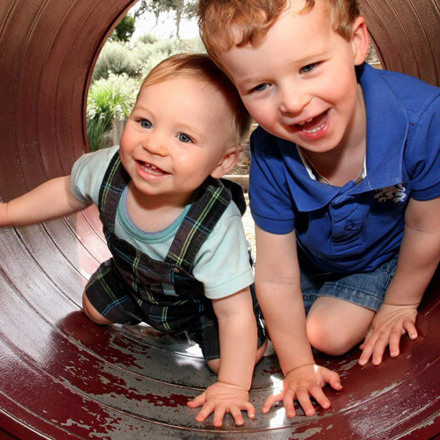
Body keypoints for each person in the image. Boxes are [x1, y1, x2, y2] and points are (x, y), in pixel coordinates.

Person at [197, 0, 440, 418]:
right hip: (311, 264)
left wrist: (400, 303)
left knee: (326, 333)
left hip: (383, 258)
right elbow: (276, 273)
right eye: (260, 87)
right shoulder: (271, 155)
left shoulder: (422, 118)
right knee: (229, 347)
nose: (293, 102)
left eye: (309, 67)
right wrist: (296, 368)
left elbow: (426, 228)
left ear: (355, 43)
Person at [0, 53, 267, 427]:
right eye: (144, 122)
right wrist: (8, 211)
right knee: (91, 310)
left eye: (184, 137)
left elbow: (232, 312)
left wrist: (233, 386)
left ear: (223, 162)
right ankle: (150, 316)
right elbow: (65, 191)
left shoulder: (215, 226)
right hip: (134, 281)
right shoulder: (108, 168)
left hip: (203, 304)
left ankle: (260, 337)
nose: (154, 145)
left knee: (226, 359)